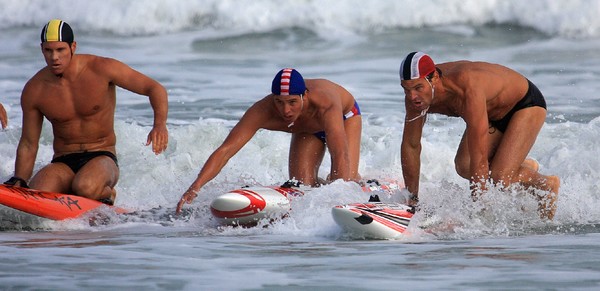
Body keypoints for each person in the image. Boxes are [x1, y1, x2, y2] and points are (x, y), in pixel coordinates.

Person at [3, 19, 169, 205]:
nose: (54, 57)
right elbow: (28, 143)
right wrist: (20, 179)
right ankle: (72, 192)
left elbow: (154, 88)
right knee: (38, 194)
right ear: (42, 49)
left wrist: (159, 125)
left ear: (73, 47)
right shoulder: (35, 90)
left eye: (60, 50)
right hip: (63, 161)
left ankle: (106, 192)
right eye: (48, 51)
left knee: (85, 186)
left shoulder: (102, 69)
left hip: (101, 156)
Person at [399, 51, 559, 219]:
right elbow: (411, 145)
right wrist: (413, 199)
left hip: (524, 105)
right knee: (464, 166)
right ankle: (520, 167)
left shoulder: (466, 88)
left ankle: (547, 185)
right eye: (406, 89)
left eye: (418, 88)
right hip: (489, 113)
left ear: (434, 78)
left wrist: (479, 216)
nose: (412, 96)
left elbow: (480, 158)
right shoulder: (415, 99)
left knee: (501, 178)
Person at [176, 68, 362, 213]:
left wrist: (340, 199)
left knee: (345, 179)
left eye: (292, 102)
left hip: (344, 119)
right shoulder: (262, 111)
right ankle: (326, 185)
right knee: (303, 186)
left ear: (304, 96)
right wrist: (196, 186)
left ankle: (361, 183)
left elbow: (340, 153)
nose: (285, 110)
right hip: (307, 130)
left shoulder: (325, 104)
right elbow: (226, 150)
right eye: (279, 102)